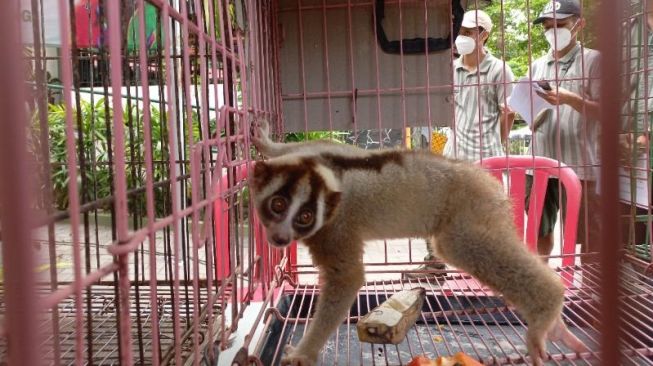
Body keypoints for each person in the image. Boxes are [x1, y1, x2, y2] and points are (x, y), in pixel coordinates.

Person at [407, 9, 515, 278]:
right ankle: (434, 263)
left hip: (485, 156)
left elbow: (509, 112)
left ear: (484, 35)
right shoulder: (450, 68)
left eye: (468, 32)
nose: (462, 37)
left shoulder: (499, 70)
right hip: (453, 154)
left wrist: (495, 143)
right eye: (460, 31)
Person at [525, 0, 601, 261]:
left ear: (579, 24)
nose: (552, 31)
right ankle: (539, 286)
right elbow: (530, 112)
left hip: (579, 165)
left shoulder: (594, 61)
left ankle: (590, 292)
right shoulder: (537, 66)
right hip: (539, 163)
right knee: (537, 231)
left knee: (586, 238)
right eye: (547, 26)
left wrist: (572, 99)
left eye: (560, 24)